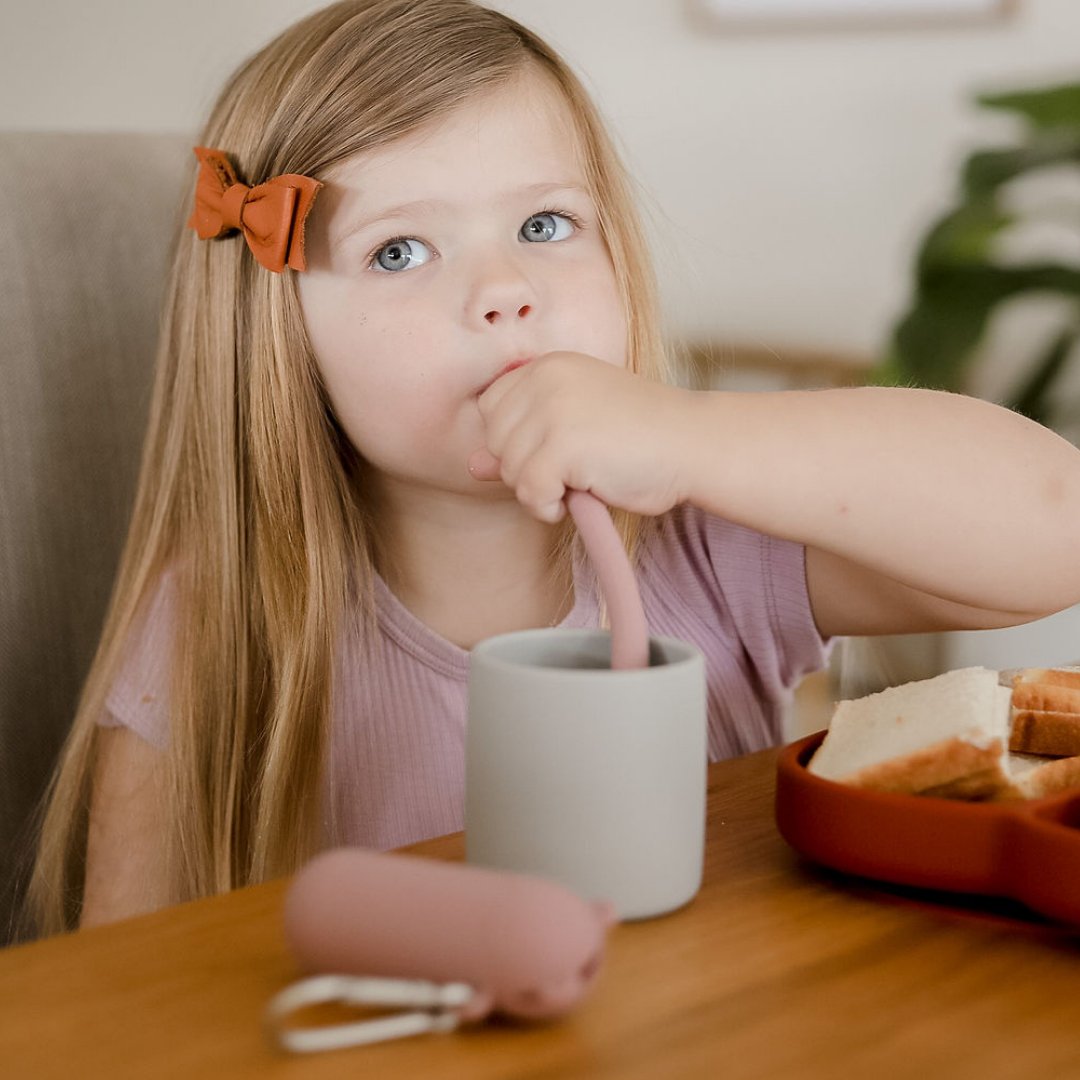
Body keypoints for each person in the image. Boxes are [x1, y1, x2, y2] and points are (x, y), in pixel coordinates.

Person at [25, 0, 1080, 937]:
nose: (505, 289)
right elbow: (113, 993)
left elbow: (1057, 527)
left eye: (544, 224)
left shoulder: (705, 543)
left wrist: (690, 435)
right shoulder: (222, 617)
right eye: (400, 250)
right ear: (278, 336)